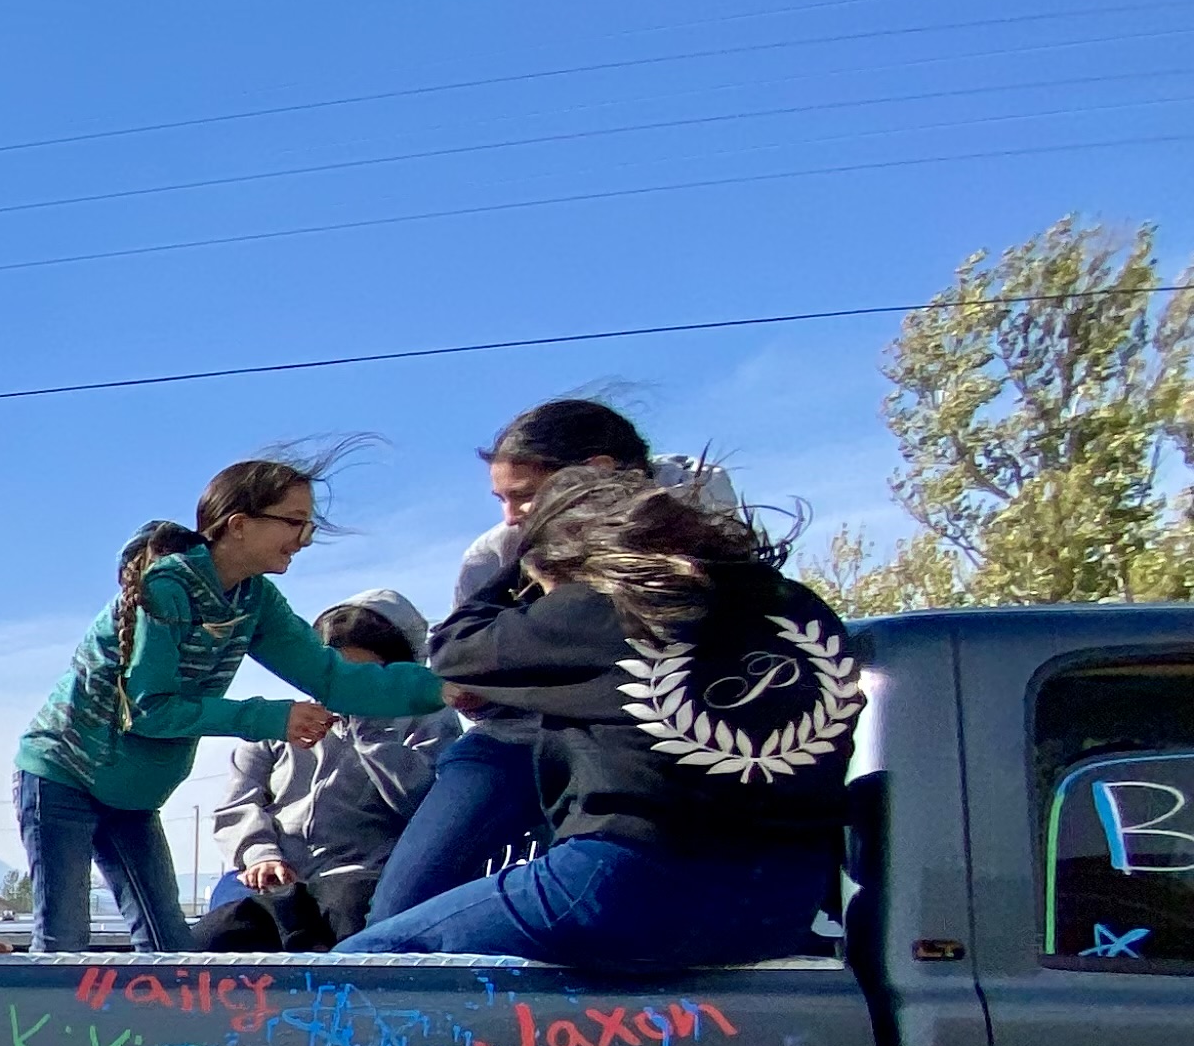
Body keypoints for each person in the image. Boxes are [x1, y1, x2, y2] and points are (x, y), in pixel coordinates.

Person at [338, 467, 858, 978]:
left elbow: (455, 650)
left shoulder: (600, 607)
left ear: (565, 560)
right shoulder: (801, 608)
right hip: (783, 900)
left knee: (374, 961)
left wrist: (526, 558)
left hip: (626, 882)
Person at [11, 455, 447, 950]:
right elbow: (150, 708)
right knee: (64, 938)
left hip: (133, 789)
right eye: (293, 523)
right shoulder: (167, 588)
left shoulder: (253, 600)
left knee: (170, 945)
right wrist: (269, 717)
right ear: (239, 525)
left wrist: (443, 686)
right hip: (64, 771)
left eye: (308, 527)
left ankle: (166, 1028)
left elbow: (332, 678)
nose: (303, 539)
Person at [366, 399, 649, 926]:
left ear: (596, 475)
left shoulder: (681, 540)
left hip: (635, 745)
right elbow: (459, 660)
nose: (512, 515)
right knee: (399, 906)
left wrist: (526, 670)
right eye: (501, 499)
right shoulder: (496, 554)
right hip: (515, 740)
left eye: (524, 497)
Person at [196, 593, 452, 952]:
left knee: (350, 929)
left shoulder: (427, 720)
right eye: (336, 675)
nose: (347, 690)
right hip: (271, 874)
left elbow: (430, 805)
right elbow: (239, 801)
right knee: (216, 935)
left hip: (360, 876)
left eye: (365, 676)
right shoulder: (286, 719)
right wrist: (261, 854)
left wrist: (374, 731)